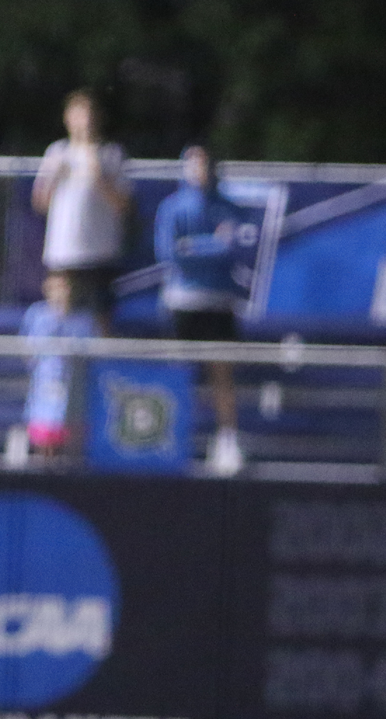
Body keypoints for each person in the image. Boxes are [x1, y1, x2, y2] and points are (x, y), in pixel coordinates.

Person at [155, 143, 253, 476]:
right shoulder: (171, 208)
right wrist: (210, 243)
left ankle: (227, 439)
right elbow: (169, 254)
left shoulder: (228, 208)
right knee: (180, 373)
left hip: (220, 302)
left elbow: (233, 250)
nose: (200, 171)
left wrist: (194, 246)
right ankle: (174, 438)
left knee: (221, 373)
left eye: (205, 165)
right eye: (193, 165)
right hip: (181, 303)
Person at [32, 90, 132, 334]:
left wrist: (100, 178)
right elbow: (40, 203)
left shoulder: (111, 154)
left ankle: (102, 366)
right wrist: (53, 179)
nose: (84, 121)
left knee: (101, 316)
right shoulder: (56, 152)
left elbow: (123, 205)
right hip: (63, 250)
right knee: (61, 315)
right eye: (78, 114)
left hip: (100, 251)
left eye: (88, 114)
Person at [20, 272, 101, 461]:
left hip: (75, 387)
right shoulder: (37, 315)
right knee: (45, 437)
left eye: (66, 287)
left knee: (72, 439)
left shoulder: (84, 319)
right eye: (57, 288)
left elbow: (92, 351)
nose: (62, 293)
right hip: (45, 385)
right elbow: (29, 350)